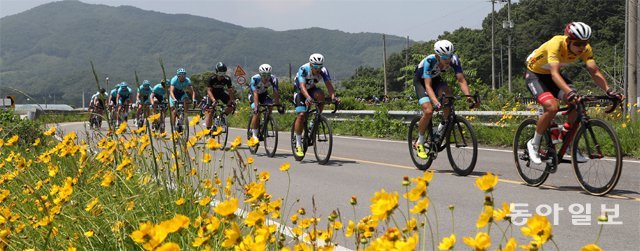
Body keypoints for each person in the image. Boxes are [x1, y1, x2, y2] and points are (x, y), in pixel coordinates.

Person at [524, 22, 624, 164]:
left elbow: (594, 71)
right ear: (568, 40)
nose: (581, 48)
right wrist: (569, 92)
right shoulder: (556, 45)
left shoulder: (585, 49)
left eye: (585, 43)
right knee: (552, 107)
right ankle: (534, 144)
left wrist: (609, 90)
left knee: (577, 102)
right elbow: (554, 74)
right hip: (536, 75)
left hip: (554, 75)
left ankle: (569, 141)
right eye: (577, 44)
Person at [413, 40, 476, 159]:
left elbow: (461, 80)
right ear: (437, 56)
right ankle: (419, 141)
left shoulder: (454, 60)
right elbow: (427, 86)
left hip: (436, 79)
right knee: (428, 111)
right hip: (421, 82)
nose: (448, 59)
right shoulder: (429, 61)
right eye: (445, 57)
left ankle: (440, 130)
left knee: (448, 97)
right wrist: (436, 102)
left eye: (450, 56)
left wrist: (468, 97)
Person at [292, 53, 338, 157]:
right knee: (302, 115)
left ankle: (315, 120)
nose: (318, 69)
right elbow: (302, 86)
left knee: (320, 95)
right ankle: (298, 143)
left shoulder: (323, 70)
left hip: (311, 89)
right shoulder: (303, 69)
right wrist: (308, 97)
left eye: (320, 66)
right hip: (300, 91)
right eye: (316, 67)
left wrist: (333, 97)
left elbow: (329, 85)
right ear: (311, 65)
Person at [249, 64, 282, 141]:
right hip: (253, 95)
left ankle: (265, 122)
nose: (266, 77)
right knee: (256, 112)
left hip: (264, 94)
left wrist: (277, 105)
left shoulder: (274, 79)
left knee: (270, 105)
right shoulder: (255, 79)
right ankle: (254, 135)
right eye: (264, 75)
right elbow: (255, 94)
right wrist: (256, 106)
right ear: (260, 74)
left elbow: (276, 92)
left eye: (268, 75)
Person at [204, 62, 236, 132]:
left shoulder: (227, 79)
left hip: (221, 93)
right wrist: (213, 100)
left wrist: (231, 100)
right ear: (216, 72)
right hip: (212, 94)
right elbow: (209, 91)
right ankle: (208, 130)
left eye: (223, 73)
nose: (222, 76)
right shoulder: (211, 79)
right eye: (220, 74)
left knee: (231, 106)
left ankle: (223, 116)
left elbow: (230, 91)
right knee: (211, 111)